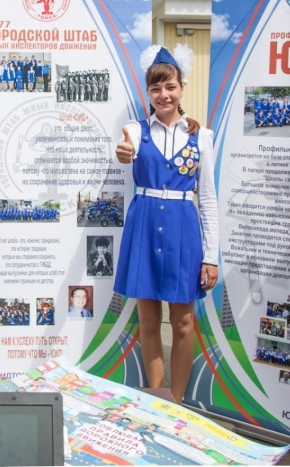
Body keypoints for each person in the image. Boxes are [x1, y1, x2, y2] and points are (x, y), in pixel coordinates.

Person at [113, 44, 218, 404]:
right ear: (148, 92)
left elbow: (208, 198)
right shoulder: (135, 130)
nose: (163, 95)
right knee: (148, 322)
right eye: (155, 88)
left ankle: (178, 401)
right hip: (143, 229)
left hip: (183, 233)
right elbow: (125, 149)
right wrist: (123, 152)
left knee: (184, 322)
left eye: (170, 86)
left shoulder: (202, 136)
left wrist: (211, 256)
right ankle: (157, 399)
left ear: (181, 88)